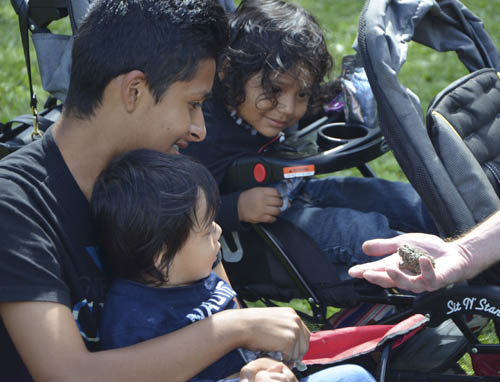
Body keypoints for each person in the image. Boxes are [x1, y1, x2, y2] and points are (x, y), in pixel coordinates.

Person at [0, 1, 315, 381]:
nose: (200, 129)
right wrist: (235, 330)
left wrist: (253, 367)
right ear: (133, 91)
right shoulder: (16, 204)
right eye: (193, 104)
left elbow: (224, 304)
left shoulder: (171, 184)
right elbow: (69, 374)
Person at [182, 0, 437, 268]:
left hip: (297, 191)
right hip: (261, 237)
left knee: (397, 199)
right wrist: (236, 207)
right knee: (359, 232)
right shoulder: (205, 133)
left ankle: (463, 238)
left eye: (302, 93)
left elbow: (320, 105)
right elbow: (177, 212)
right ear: (228, 72)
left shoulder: (265, 109)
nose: (289, 109)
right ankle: (436, 269)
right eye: (274, 90)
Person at [92, 149, 376, 382]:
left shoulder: (197, 274)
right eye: (206, 230)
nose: (218, 231)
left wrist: (268, 366)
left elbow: (246, 349)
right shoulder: (132, 317)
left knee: (354, 376)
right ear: (161, 255)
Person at [348, 209, 500, 293]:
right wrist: (464, 252)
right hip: (428, 261)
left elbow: (405, 264)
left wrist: (465, 253)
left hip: (422, 263)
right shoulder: (408, 254)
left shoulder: (406, 259)